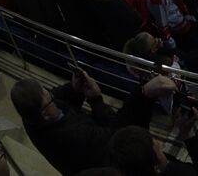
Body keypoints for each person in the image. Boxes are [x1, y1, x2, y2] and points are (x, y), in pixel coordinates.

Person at [10, 66, 174, 175]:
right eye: (49, 97)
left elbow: (58, 96)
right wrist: (142, 93)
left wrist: (75, 89)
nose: (52, 95)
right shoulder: (75, 136)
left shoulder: (31, 116)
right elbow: (118, 132)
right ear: (45, 114)